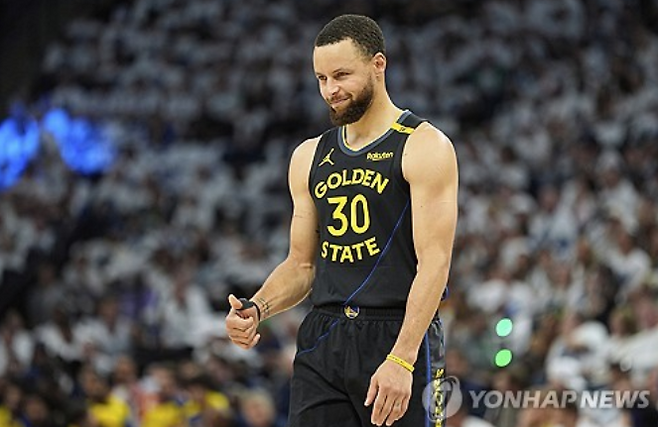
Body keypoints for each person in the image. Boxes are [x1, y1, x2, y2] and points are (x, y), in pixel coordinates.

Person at [226, 14, 458, 427]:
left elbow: (435, 264)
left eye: (341, 75)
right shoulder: (308, 155)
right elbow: (301, 265)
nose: (330, 90)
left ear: (378, 65)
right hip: (324, 335)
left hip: (397, 332)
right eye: (321, 78)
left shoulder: (424, 145)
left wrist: (402, 359)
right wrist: (257, 308)